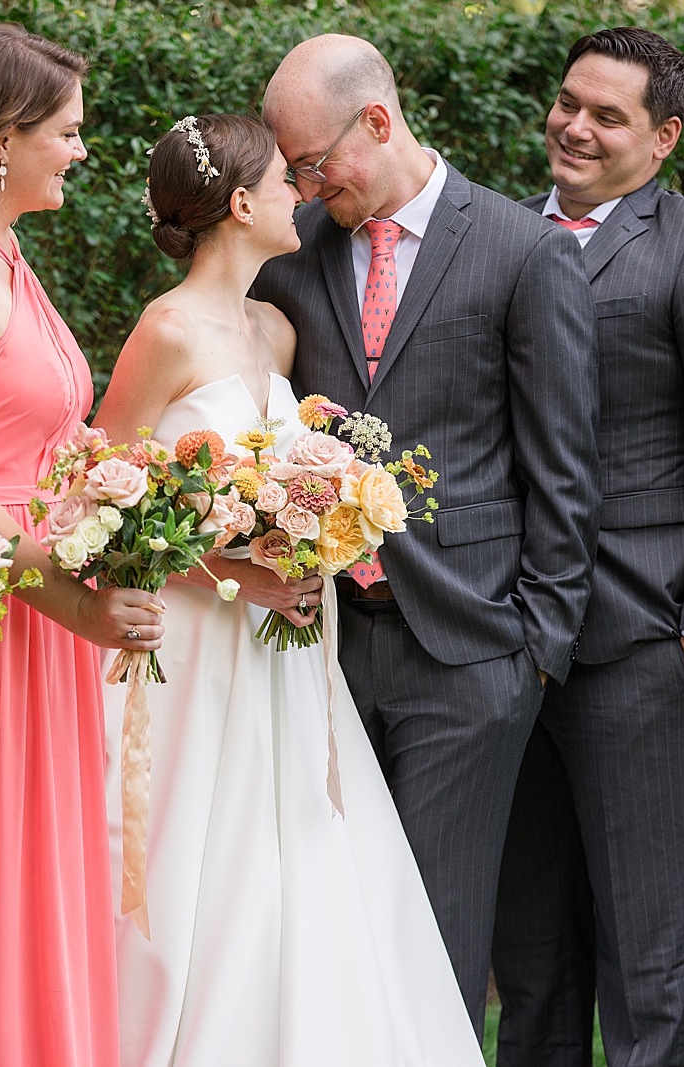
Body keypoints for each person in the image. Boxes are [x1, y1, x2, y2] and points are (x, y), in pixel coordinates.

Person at [94, 113, 481, 1066]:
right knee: (201, 852)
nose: (299, 194)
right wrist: (233, 571)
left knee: (302, 841)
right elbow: (102, 504)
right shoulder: (167, 330)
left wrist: (323, 525)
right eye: (281, 181)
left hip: (294, 644)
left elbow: (289, 467)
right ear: (237, 204)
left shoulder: (276, 328)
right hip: (198, 640)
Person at [249, 34, 601, 1038]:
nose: (308, 189)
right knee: (332, 926)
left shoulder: (524, 249)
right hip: (318, 656)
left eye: (317, 164)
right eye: (293, 174)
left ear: (378, 121)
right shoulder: (290, 258)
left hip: (473, 654)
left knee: (435, 938)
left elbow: (563, 470)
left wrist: (534, 649)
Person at [0, 22, 166, 1067]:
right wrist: (67, 584)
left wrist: (117, 506)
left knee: (53, 866)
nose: (83, 151)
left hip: (46, 627)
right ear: (0, 141)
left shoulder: (7, 259)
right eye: (67, 133)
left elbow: (37, 439)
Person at [491, 28, 684, 1067]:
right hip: (500, 634)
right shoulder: (493, 232)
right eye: (569, 101)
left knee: (644, 943)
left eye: (606, 115)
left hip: (632, 629)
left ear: (661, 139)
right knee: (529, 946)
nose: (573, 125)